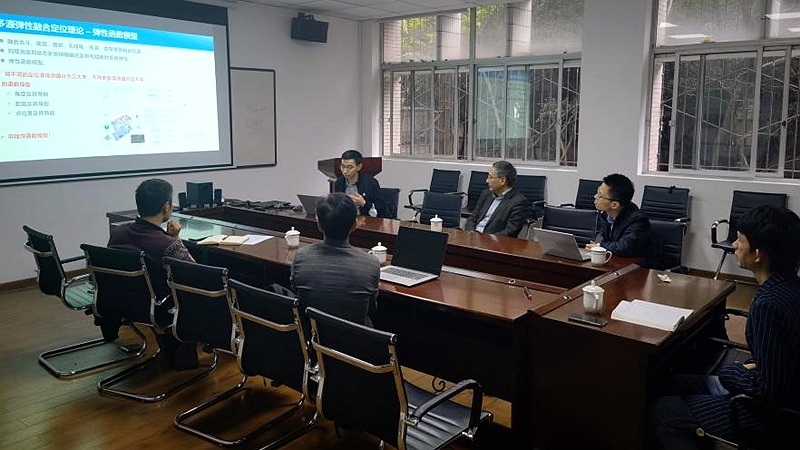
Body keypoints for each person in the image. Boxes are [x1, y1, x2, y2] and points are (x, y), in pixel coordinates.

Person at [651, 204, 800, 449]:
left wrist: (731, 372)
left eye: (740, 240)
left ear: (758, 254)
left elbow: (770, 389)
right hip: (783, 390)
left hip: (774, 415)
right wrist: (752, 367)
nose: (734, 245)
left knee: (665, 411)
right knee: (671, 381)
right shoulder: (790, 286)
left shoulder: (769, 304)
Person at [106, 178, 198, 369]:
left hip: (122, 300)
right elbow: (196, 274)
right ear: (167, 207)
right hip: (159, 306)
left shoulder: (119, 232)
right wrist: (176, 239)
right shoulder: (168, 245)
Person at [291, 192, 380, 327]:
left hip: (314, 334)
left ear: (319, 225)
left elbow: (296, 292)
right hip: (356, 337)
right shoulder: (371, 263)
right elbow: (371, 309)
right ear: (355, 225)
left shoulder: (301, 257)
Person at [587, 173, 654, 261]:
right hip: (611, 260)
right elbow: (600, 234)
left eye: (600, 195)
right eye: (597, 192)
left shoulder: (638, 220)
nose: (595, 196)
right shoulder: (604, 213)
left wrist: (599, 246)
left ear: (614, 205)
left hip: (635, 265)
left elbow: (624, 247)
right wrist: (596, 244)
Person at [465, 160, 530, 237]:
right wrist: (471, 233)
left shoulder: (518, 202)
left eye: (490, 177)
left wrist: (485, 239)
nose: (487, 181)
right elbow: (473, 217)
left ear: (502, 180)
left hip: (493, 241)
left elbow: (510, 231)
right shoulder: (486, 194)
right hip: (473, 237)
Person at [333, 149, 386, 217]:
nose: (345, 171)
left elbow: (381, 208)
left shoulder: (370, 183)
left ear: (359, 167)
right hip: (345, 219)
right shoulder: (339, 182)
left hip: (365, 219)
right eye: (343, 166)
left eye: (349, 167)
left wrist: (364, 203)